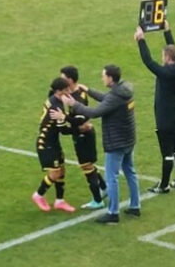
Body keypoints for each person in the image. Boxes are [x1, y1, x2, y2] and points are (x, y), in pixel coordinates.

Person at [56, 64, 139, 224]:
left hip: (116, 142)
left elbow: (95, 113)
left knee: (111, 177)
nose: (102, 78)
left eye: (103, 76)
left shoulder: (115, 96)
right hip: (129, 139)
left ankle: (113, 213)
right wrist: (89, 90)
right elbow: (106, 99)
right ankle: (135, 206)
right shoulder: (122, 91)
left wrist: (74, 105)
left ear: (110, 78)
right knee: (130, 172)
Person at [134, 20, 175, 194]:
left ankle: (164, 185)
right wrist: (167, 31)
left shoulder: (165, 73)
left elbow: (148, 61)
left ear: (167, 58)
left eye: (163, 56)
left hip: (165, 117)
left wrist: (141, 40)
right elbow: (174, 51)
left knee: (167, 153)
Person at [59, 65, 107, 209]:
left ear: (70, 80)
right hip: (83, 133)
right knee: (89, 165)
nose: (61, 80)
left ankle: (97, 200)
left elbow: (81, 119)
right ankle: (104, 188)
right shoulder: (75, 92)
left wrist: (64, 117)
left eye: (63, 78)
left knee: (86, 167)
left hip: (83, 135)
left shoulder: (77, 97)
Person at [31, 78, 76, 213]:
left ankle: (59, 201)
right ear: (59, 91)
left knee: (61, 170)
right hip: (46, 143)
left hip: (53, 142)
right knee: (55, 172)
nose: (69, 92)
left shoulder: (54, 100)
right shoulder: (56, 107)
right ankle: (38, 195)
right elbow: (63, 130)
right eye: (66, 89)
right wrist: (79, 129)